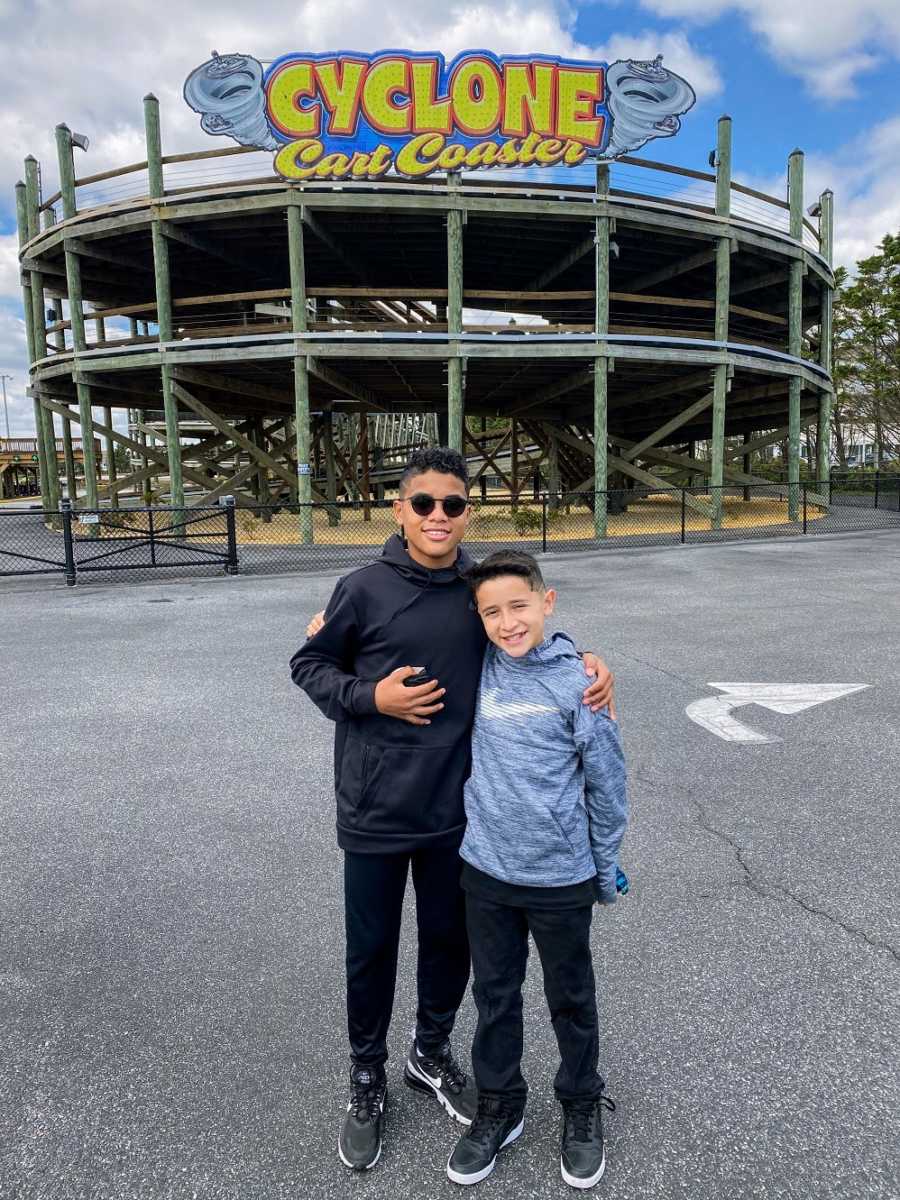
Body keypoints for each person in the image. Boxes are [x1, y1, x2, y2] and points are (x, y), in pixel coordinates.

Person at [289, 447, 615, 1173]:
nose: (440, 516)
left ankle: (428, 1051)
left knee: (449, 948)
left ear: (469, 512)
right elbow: (309, 665)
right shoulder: (363, 588)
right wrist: (373, 697)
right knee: (370, 952)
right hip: (374, 810)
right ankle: (366, 1075)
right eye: (425, 503)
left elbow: (522, 632)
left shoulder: (476, 592)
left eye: (454, 504)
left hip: (459, 817)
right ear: (400, 510)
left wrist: (588, 662)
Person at [446, 549, 627, 1190]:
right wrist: (330, 627)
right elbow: (399, 635)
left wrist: (605, 868)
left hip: (560, 878)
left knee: (570, 999)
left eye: (518, 606)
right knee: (494, 998)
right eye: (491, 612)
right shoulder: (477, 667)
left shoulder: (580, 682)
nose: (507, 623)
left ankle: (580, 1103)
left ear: (547, 602)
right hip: (487, 873)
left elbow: (607, 785)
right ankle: (500, 1105)